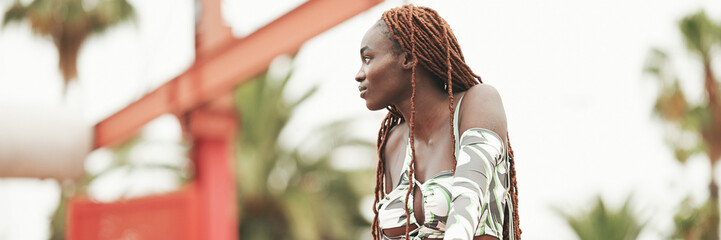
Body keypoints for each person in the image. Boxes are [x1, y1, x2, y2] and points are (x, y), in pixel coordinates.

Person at [354, 5, 521, 240]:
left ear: (409, 58)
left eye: (368, 58)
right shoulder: (393, 143)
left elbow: (466, 211)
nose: (359, 74)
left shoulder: (477, 103)